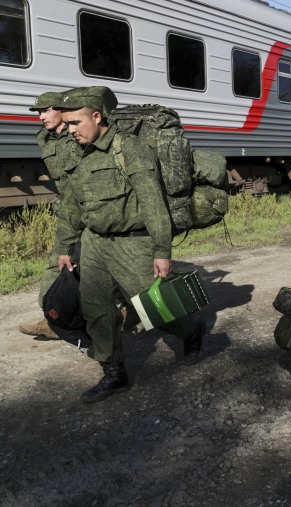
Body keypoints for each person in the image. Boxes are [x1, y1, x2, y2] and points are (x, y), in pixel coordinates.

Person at [55, 86, 207, 403]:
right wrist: (64, 246)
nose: (70, 130)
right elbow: (70, 205)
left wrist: (162, 252)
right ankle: (114, 374)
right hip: (94, 244)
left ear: (96, 117)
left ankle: (191, 331)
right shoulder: (79, 155)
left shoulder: (130, 148)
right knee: (97, 313)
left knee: (157, 309)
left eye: (75, 123)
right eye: (67, 124)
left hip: (132, 244)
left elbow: (153, 204)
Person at [17, 92, 82, 340]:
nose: (41, 116)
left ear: (62, 111)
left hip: (92, 211)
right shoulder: (45, 137)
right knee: (58, 263)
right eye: (38, 112)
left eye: (46, 110)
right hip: (70, 211)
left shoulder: (79, 135)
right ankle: (53, 319)